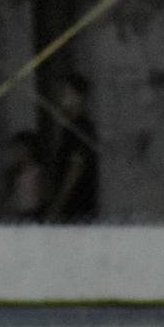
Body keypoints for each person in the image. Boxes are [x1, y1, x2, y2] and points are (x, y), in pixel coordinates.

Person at [45, 72, 99, 222]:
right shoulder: (69, 127)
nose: (61, 98)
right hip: (73, 205)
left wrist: (58, 204)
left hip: (78, 204)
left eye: (66, 93)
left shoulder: (81, 127)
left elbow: (75, 168)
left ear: (79, 96)